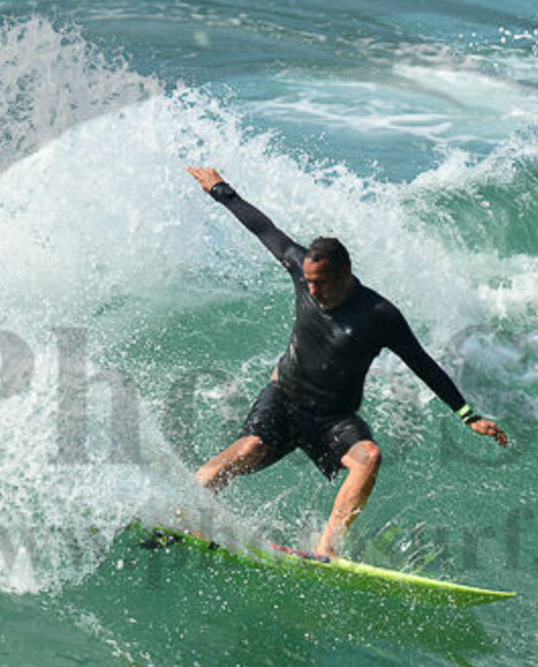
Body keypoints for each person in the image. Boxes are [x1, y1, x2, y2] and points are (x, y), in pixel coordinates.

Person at [186, 165, 508, 559]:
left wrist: (467, 415)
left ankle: (327, 550)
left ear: (345, 274)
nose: (312, 288)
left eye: (321, 281)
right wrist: (220, 189)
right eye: (309, 280)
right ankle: (183, 509)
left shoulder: (378, 315)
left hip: (332, 418)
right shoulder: (301, 270)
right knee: (248, 447)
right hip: (284, 398)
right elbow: (263, 229)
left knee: (369, 456)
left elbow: (422, 364)